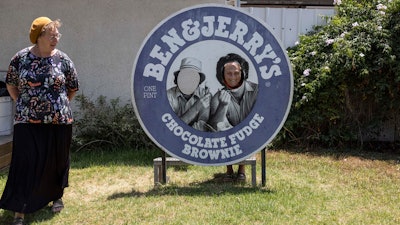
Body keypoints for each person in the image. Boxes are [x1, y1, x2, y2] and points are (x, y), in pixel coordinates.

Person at [0, 17, 79, 225]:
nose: (56, 39)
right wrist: (25, 103)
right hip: (27, 120)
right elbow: (11, 84)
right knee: (25, 162)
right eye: (51, 35)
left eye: (57, 35)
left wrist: (58, 107)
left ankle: (55, 196)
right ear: (38, 37)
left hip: (58, 120)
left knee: (56, 161)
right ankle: (20, 209)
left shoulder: (63, 59)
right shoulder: (21, 58)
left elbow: (72, 87)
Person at [209, 53, 258, 182]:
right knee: (224, 134)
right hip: (229, 137)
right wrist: (222, 106)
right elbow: (216, 126)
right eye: (229, 73)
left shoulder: (257, 91)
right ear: (222, 75)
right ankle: (229, 170)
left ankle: (242, 170)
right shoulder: (217, 97)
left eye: (236, 73)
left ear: (243, 73)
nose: (233, 77)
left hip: (250, 134)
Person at [167, 57, 212, 131]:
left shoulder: (204, 94)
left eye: (193, 77)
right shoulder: (169, 96)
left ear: (199, 80)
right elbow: (171, 128)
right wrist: (196, 108)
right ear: (178, 78)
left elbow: (202, 127)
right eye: (184, 76)